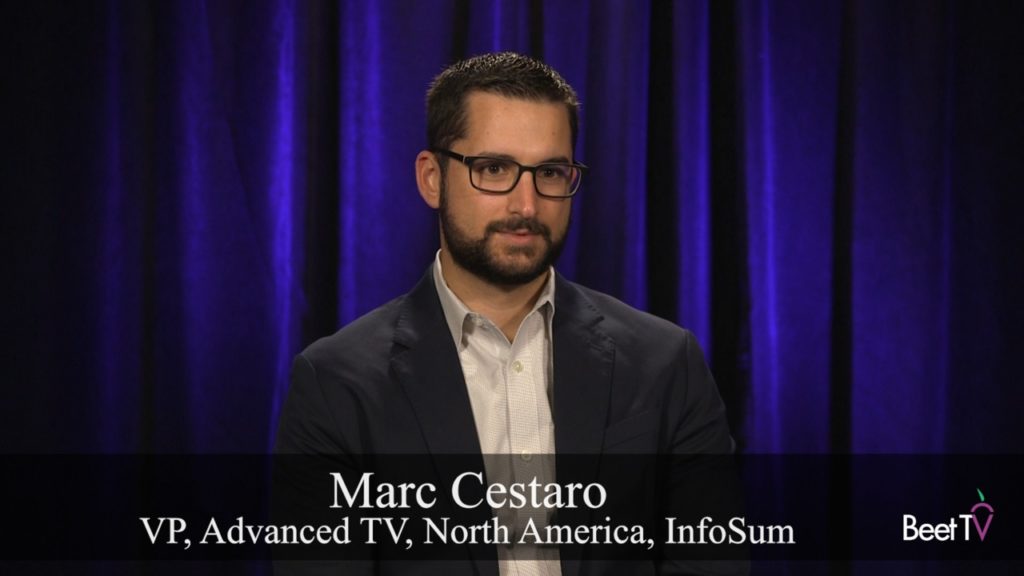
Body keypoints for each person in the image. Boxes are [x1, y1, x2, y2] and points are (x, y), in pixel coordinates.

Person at [275, 52, 740, 576]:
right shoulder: (335, 385)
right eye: (493, 169)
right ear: (432, 178)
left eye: (550, 172)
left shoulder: (667, 363)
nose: (527, 205)